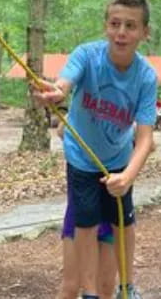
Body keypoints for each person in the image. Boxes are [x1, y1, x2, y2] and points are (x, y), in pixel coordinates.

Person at [34, 0, 156, 299]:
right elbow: (66, 80)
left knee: (122, 220)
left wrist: (128, 177)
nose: (121, 32)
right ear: (106, 25)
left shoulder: (146, 77)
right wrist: (58, 91)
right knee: (85, 223)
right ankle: (88, 293)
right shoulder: (87, 55)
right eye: (115, 24)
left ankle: (126, 287)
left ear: (145, 32)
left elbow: (145, 138)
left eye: (130, 26)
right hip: (82, 160)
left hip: (118, 160)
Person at [56, 120, 118, 299]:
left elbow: (149, 144)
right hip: (80, 214)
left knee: (105, 288)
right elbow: (61, 131)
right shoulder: (79, 113)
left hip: (110, 213)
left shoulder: (123, 119)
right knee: (71, 287)